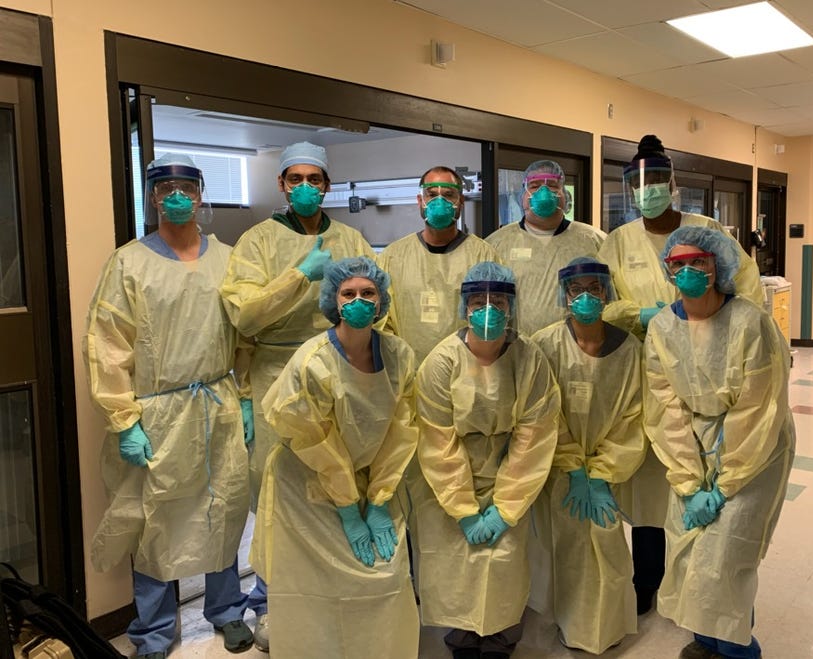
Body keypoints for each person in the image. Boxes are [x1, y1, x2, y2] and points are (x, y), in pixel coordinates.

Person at [85, 154, 253, 659]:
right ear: (151, 196)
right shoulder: (128, 262)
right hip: (157, 413)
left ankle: (226, 611)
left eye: (186, 187)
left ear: (202, 195)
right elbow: (107, 344)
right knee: (154, 520)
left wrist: (243, 398)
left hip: (218, 404)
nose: (176, 196)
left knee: (222, 510)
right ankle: (155, 629)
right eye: (165, 188)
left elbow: (244, 334)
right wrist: (124, 420)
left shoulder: (229, 259)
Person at [597, 134, 765, 615]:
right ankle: (648, 582)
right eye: (638, 182)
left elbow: (747, 293)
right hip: (651, 376)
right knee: (653, 483)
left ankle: (713, 598)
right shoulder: (618, 242)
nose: (647, 190)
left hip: (711, 376)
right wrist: (643, 314)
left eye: (656, 180)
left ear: (673, 184)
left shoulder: (707, 231)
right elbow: (604, 303)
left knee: (711, 484)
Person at [219, 141, 374, 650]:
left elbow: (376, 302)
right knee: (279, 494)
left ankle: (333, 596)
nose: (306, 187)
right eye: (295, 179)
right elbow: (244, 314)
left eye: (315, 178)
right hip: (274, 372)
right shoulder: (257, 241)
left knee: (338, 481)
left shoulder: (351, 237)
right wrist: (296, 277)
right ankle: (269, 602)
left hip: (338, 370)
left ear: (327, 184)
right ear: (281, 184)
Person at [249, 256, 419, 657]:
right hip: (306, 482)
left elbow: (401, 432)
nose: (359, 300)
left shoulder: (399, 355)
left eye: (368, 293)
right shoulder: (313, 362)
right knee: (316, 586)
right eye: (349, 293)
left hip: (370, 479)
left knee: (385, 576)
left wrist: (377, 500)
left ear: (382, 301)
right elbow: (314, 442)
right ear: (333, 301)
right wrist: (347, 507)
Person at [643, 226, 794, 659]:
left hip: (756, 451)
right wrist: (690, 482)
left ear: (717, 266)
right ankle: (708, 641)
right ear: (667, 270)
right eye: (679, 263)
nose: (688, 270)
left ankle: (738, 650)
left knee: (728, 556)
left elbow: (757, 409)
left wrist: (725, 484)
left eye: (699, 262)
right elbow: (664, 409)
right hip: (690, 445)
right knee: (692, 552)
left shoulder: (750, 322)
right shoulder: (662, 328)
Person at [415, 261, 560, 659]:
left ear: (513, 307)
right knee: (455, 562)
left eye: (499, 300)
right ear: (463, 307)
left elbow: (535, 436)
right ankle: (461, 636)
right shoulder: (441, 361)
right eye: (478, 300)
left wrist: (505, 507)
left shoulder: (528, 359)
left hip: (509, 475)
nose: (489, 308)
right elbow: (436, 438)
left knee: (505, 564)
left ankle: (500, 639)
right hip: (451, 479)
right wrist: (462, 508)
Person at [530, 257, 645, 654]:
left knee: (607, 543)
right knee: (565, 548)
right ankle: (569, 622)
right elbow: (543, 412)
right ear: (564, 296)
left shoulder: (629, 349)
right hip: (559, 467)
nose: (585, 297)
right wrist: (572, 466)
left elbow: (633, 416)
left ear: (607, 294)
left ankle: (607, 625)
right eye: (576, 290)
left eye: (594, 289)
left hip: (606, 472)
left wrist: (600, 472)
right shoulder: (545, 344)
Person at [377, 165, 499, 365]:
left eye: (449, 195)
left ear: (461, 202)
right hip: (408, 368)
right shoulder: (393, 256)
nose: (439, 202)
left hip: (465, 370)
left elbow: (493, 316)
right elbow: (382, 320)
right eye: (431, 195)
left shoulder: (483, 255)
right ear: (420, 201)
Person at [486, 159, 605, 335]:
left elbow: (610, 297)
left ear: (564, 194)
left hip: (575, 350)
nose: (543, 192)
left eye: (552, 185)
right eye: (534, 186)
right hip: (516, 350)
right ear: (523, 195)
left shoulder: (594, 240)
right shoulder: (496, 243)